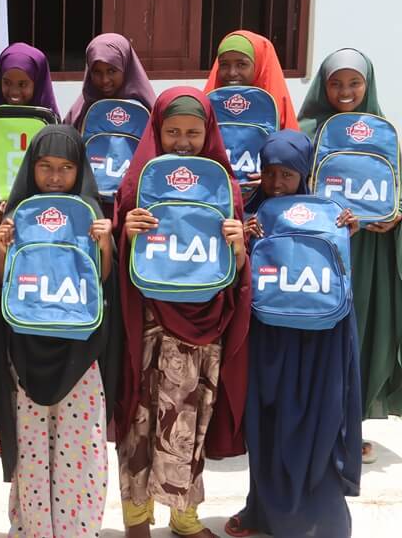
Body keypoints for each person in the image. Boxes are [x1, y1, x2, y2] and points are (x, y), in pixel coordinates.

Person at [115, 88, 250, 538]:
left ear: (209, 131)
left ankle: (183, 516)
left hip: (203, 323)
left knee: (190, 422)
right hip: (151, 319)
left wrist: (236, 243)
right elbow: (114, 249)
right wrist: (125, 233)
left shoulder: (224, 186)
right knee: (141, 415)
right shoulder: (137, 183)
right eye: (172, 131)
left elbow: (235, 265)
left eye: (194, 132)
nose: (183, 141)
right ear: (156, 130)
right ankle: (137, 517)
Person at [0, 124, 118, 537]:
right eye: (44, 167)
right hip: (27, 352)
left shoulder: (91, 213)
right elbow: (2, 288)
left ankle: (76, 530)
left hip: (79, 355)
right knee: (33, 450)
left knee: (80, 449)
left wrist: (105, 245)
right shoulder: (16, 215)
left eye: (65, 168)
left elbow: (101, 284)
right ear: (30, 169)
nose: (55, 177)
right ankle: (35, 529)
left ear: (80, 171)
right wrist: (1, 251)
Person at [223, 131, 362, 538]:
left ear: (303, 174)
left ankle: (321, 520)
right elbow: (240, 277)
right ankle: (263, 512)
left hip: (320, 341)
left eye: (287, 174)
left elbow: (342, 277)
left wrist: (346, 234)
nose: (277, 184)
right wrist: (244, 243)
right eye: (269, 174)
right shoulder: (251, 214)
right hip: (270, 342)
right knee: (268, 422)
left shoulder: (331, 213)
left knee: (319, 421)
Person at [298, 48, 402, 464]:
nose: (345, 91)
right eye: (336, 83)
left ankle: (349, 426)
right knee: (315, 331)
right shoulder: (306, 131)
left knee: (358, 335)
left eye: (354, 82)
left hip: (368, 254)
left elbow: (396, 185)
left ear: (368, 84)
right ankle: (309, 423)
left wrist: (395, 216)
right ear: (322, 86)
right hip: (320, 249)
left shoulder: (384, 133)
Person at [0, 43, 64, 229]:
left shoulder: (52, 125)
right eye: (7, 82)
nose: (14, 92)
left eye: (23, 84)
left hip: (40, 222)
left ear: (38, 81)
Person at [203, 30, 299, 131]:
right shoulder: (209, 104)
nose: (232, 73)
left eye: (241, 64)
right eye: (224, 64)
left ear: (259, 66)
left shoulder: (276, 107)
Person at [63, 33, 157, 130]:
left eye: (111, 71)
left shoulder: (150, 112)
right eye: (97, 72)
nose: (105, 80)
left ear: (126, 67)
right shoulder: (79, 113)